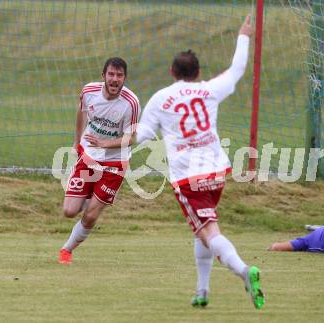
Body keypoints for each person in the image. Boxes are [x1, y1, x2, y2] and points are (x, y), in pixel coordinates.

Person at [88, 15, 264, 309]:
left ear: (172, 71)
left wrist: (108, 142)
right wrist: (244, 35)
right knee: (202, 228)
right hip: (217, 172)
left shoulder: (160, 98)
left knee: (209, 231)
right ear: (198, 73)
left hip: (188, 177)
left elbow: (140, 136)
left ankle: (244, 270)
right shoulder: (209, 90)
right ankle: (202, 291)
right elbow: (237, 70)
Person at [59, 57, 140, 265]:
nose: (115, 79)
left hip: (115, 164)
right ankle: (90, 197)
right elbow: (81, 113)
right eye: (111, 74)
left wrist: (104, 143)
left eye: (119, 75)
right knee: (69, 211)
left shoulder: (131, 103)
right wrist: (77, 144)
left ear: (125, 78)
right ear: (103, 75)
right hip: (88, 158)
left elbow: (131, 138)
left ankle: (66, 250)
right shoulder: (89, 92)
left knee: (90, 216)